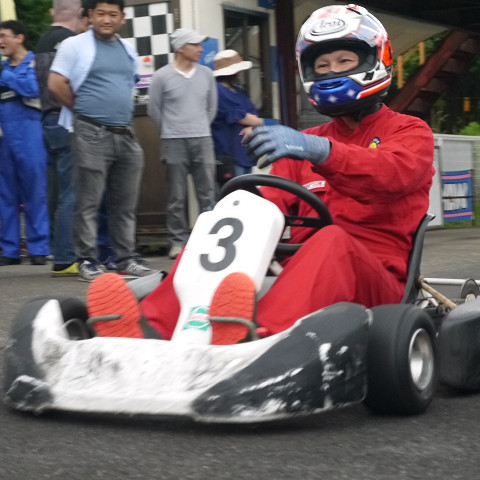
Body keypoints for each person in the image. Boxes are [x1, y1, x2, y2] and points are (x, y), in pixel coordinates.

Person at [86, 4, 435, 345]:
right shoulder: (305, 143)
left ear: (375, 59)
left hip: (378, 282)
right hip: (299, 274)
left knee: (331, 239)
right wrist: (237, 211)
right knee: (218, 226)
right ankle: (151, 330)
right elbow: (270, 207)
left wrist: (322, 152)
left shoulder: (407, 131)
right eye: (322, 65)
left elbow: (391, 175)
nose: (331, 72)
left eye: (344, 61)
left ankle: (257, 336)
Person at [48, 0, 156, 281]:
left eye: (112, 14)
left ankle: (126, 258)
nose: (106, 20)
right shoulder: (74, 45)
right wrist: (83, 111)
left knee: (125, 203)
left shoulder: (127, 48)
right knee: (88, 201)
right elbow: (56, 84)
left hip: (126, 132)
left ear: (122, 17)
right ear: (90, 16)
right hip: (91, 131)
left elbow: (128, 85)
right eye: (100, 14)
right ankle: (86, 260)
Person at [147, 28, 218, 260]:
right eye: (195, 44)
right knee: (176, 196)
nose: (200, 49)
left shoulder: (207, 74)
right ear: (180, 48)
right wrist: (169, 130)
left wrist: (200, 127)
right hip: (173, 141)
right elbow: (153, 110)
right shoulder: (161, 76)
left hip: (203, 139)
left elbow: (212, 108)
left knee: (207, 193)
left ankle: (210, 238)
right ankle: (177, 241)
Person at [35, 0, 83, 276]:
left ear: (54, 12)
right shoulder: (71, 42)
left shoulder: (42, 41)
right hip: (66, 120)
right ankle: (66, 257)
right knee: (71, 192)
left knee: (55, 191)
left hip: (46, 120)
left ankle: (58, 249)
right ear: (79, 13)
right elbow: (69, 83)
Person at [0, 20, 50, 266]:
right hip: (4, 138)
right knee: (5, 195)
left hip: (30, 135)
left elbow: (32, 89)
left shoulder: (35, 63)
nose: (0, 42)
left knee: (35, 193)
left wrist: (6, 76)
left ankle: (39, 248)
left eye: (4, 36)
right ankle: (9, 250)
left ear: (19, 38)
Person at [211, 49, 263, 185]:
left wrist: (252, 126)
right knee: (233, 191)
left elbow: (254, 114)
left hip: (244, 152)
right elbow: (242, 117)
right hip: (229, 154)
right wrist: (255, 122)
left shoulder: (239, 91)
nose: (240, 73)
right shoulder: (218, 90)